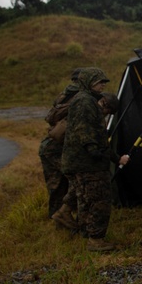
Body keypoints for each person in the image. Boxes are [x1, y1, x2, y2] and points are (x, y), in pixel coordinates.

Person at [60, 68, 130, 252]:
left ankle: (86, 232)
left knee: (85, 200)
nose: (103, 85)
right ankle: (96, 239)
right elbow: (87, 134)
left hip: (80, 162)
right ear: (89, 81)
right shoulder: (85, 102)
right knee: (99, 200)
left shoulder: (83, 100)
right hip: (88, 164)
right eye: (99, 81)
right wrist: (96, 152)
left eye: (104, 82)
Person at [41, 68, 81, 226]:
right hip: (57, 147)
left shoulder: (65, 94)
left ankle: (56, 218)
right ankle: (62, 217)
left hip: (49, 145)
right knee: (75, 180)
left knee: (56, 185)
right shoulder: (79, 97)